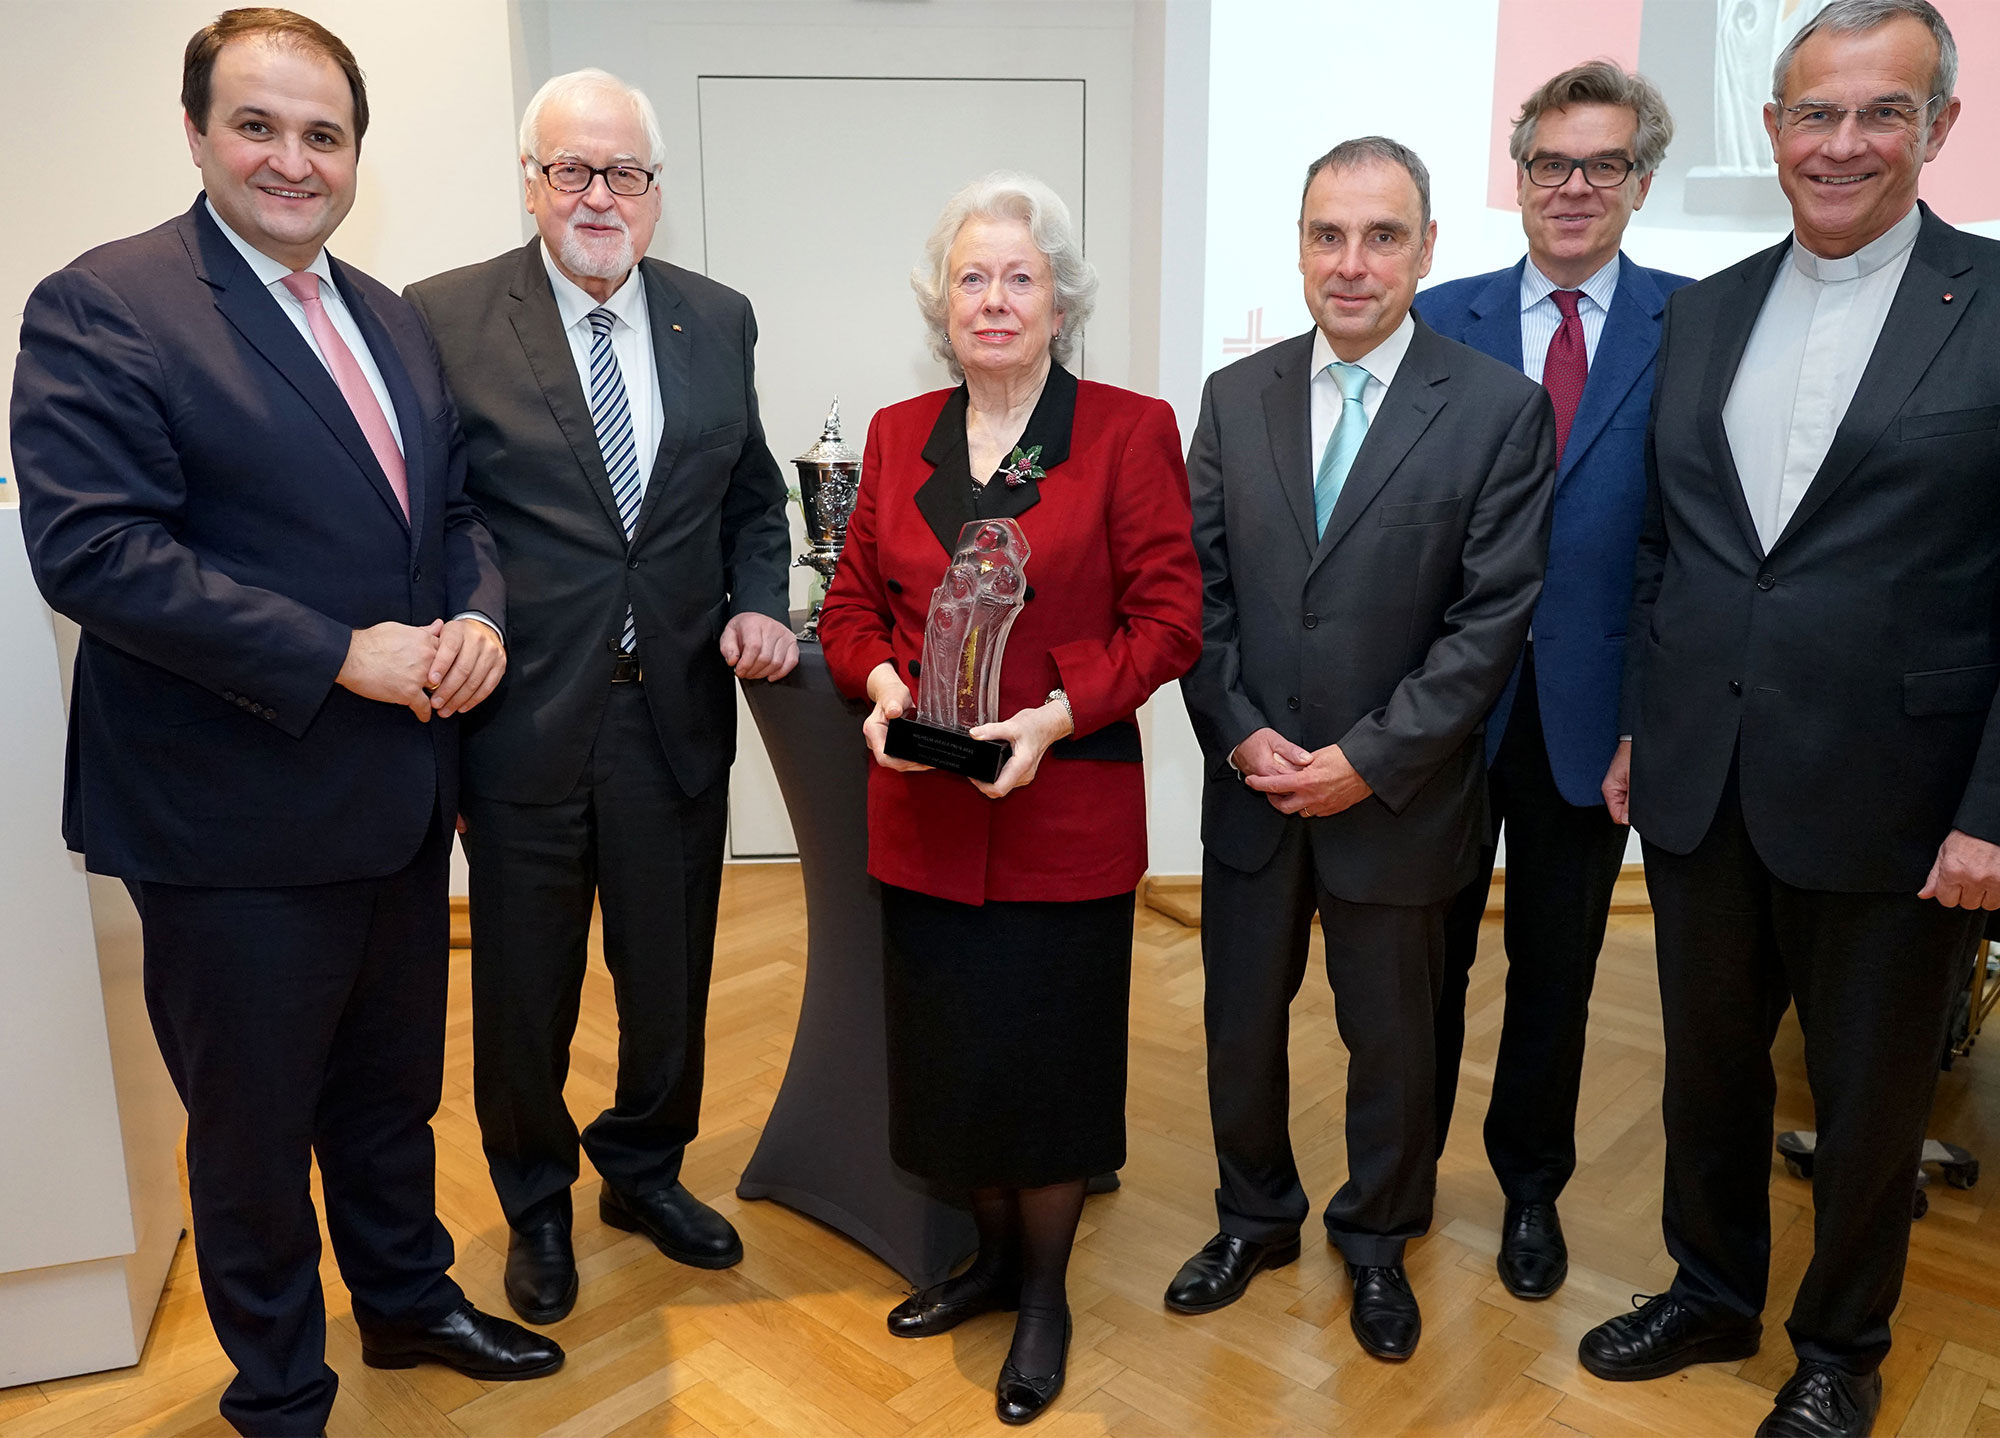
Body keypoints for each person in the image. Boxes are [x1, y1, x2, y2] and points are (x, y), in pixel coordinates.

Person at [8, 10, 559, 1433]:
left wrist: (479, 617)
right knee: (252, 1136)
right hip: (226, 818)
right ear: (196, 133)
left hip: (391, 795)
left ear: (356, 151)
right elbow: (97, 552)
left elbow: (447, 514)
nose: (293, 158)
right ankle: (279, 1389)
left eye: (324, 133)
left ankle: (407, 1300)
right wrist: (342, 656)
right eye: (259, 125)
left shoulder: (387, 313)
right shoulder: (104, 302)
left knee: (388, 1096)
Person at [1577, 4, 1998, 1434]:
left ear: (1939, 127)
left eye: (1881, 112)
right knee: (1705, 1068)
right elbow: (1667, 549)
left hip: (1899, 792)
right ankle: (1709, 1289)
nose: (1842, 142)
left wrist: (1994, 806)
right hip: (1704, 774)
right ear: (1771, 130)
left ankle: (1840, 1350)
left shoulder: (1996, 303)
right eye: (1814, 113)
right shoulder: (1705, 307)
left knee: (1874, 1103)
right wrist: (1643, 721)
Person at [403, 68, 796, 1325]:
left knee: (671, 975)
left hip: (672, 710)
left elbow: (752, 497)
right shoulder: (445, 316)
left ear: (655, 192)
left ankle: (642, 1169)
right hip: (520, 717)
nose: (597, 195)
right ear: (529, 181)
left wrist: (753, 599)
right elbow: (432, 518)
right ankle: (532, 1201)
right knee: (524, 991)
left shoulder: (716, 316)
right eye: (569, 169)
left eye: (622, 172)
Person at [816, 173, 1201, 1425]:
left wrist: (1053, 714)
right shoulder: (891, 435)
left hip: (1060, 813)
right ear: (941, 302)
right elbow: (850, 606)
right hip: (923, 815)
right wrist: (879, 690)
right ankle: (985, 1268)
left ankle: (1044, 1297)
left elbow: (1168, 621)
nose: (994, 299)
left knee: (1046, 1069)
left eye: (1019, 277)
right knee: (950, 1064)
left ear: (1059, 300)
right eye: (972, 277)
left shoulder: (1127, 430)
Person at [1169, 137, 1557, 1362]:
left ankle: (1378, 1240)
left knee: (1391, 1040)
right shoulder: (1235, 398)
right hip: (1250, 791)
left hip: (1397, 800)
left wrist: (1363, 759)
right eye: (1326, 236)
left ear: (1427, 250)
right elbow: (1198, 595)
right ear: (1295, 248)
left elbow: (1485, 625)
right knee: (1240, 1021)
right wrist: (1239, 740)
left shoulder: (1496, 409)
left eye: (1381, 236)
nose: (1351, 263)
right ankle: (1253, 1215)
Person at [1415, 61, 1692, 1302]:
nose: (1572, 188)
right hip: (1440, 710)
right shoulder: (1437, 314)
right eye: (1548, 163)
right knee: (1418, 952)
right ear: (1516, 175)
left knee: (1557, 966)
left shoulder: (1693, 325)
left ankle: (1530, 1187)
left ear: (1640, 182)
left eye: (1603, 165)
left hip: (1593, 720)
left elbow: (1693, 545)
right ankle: (1395, 1169)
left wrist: (1651, 721)